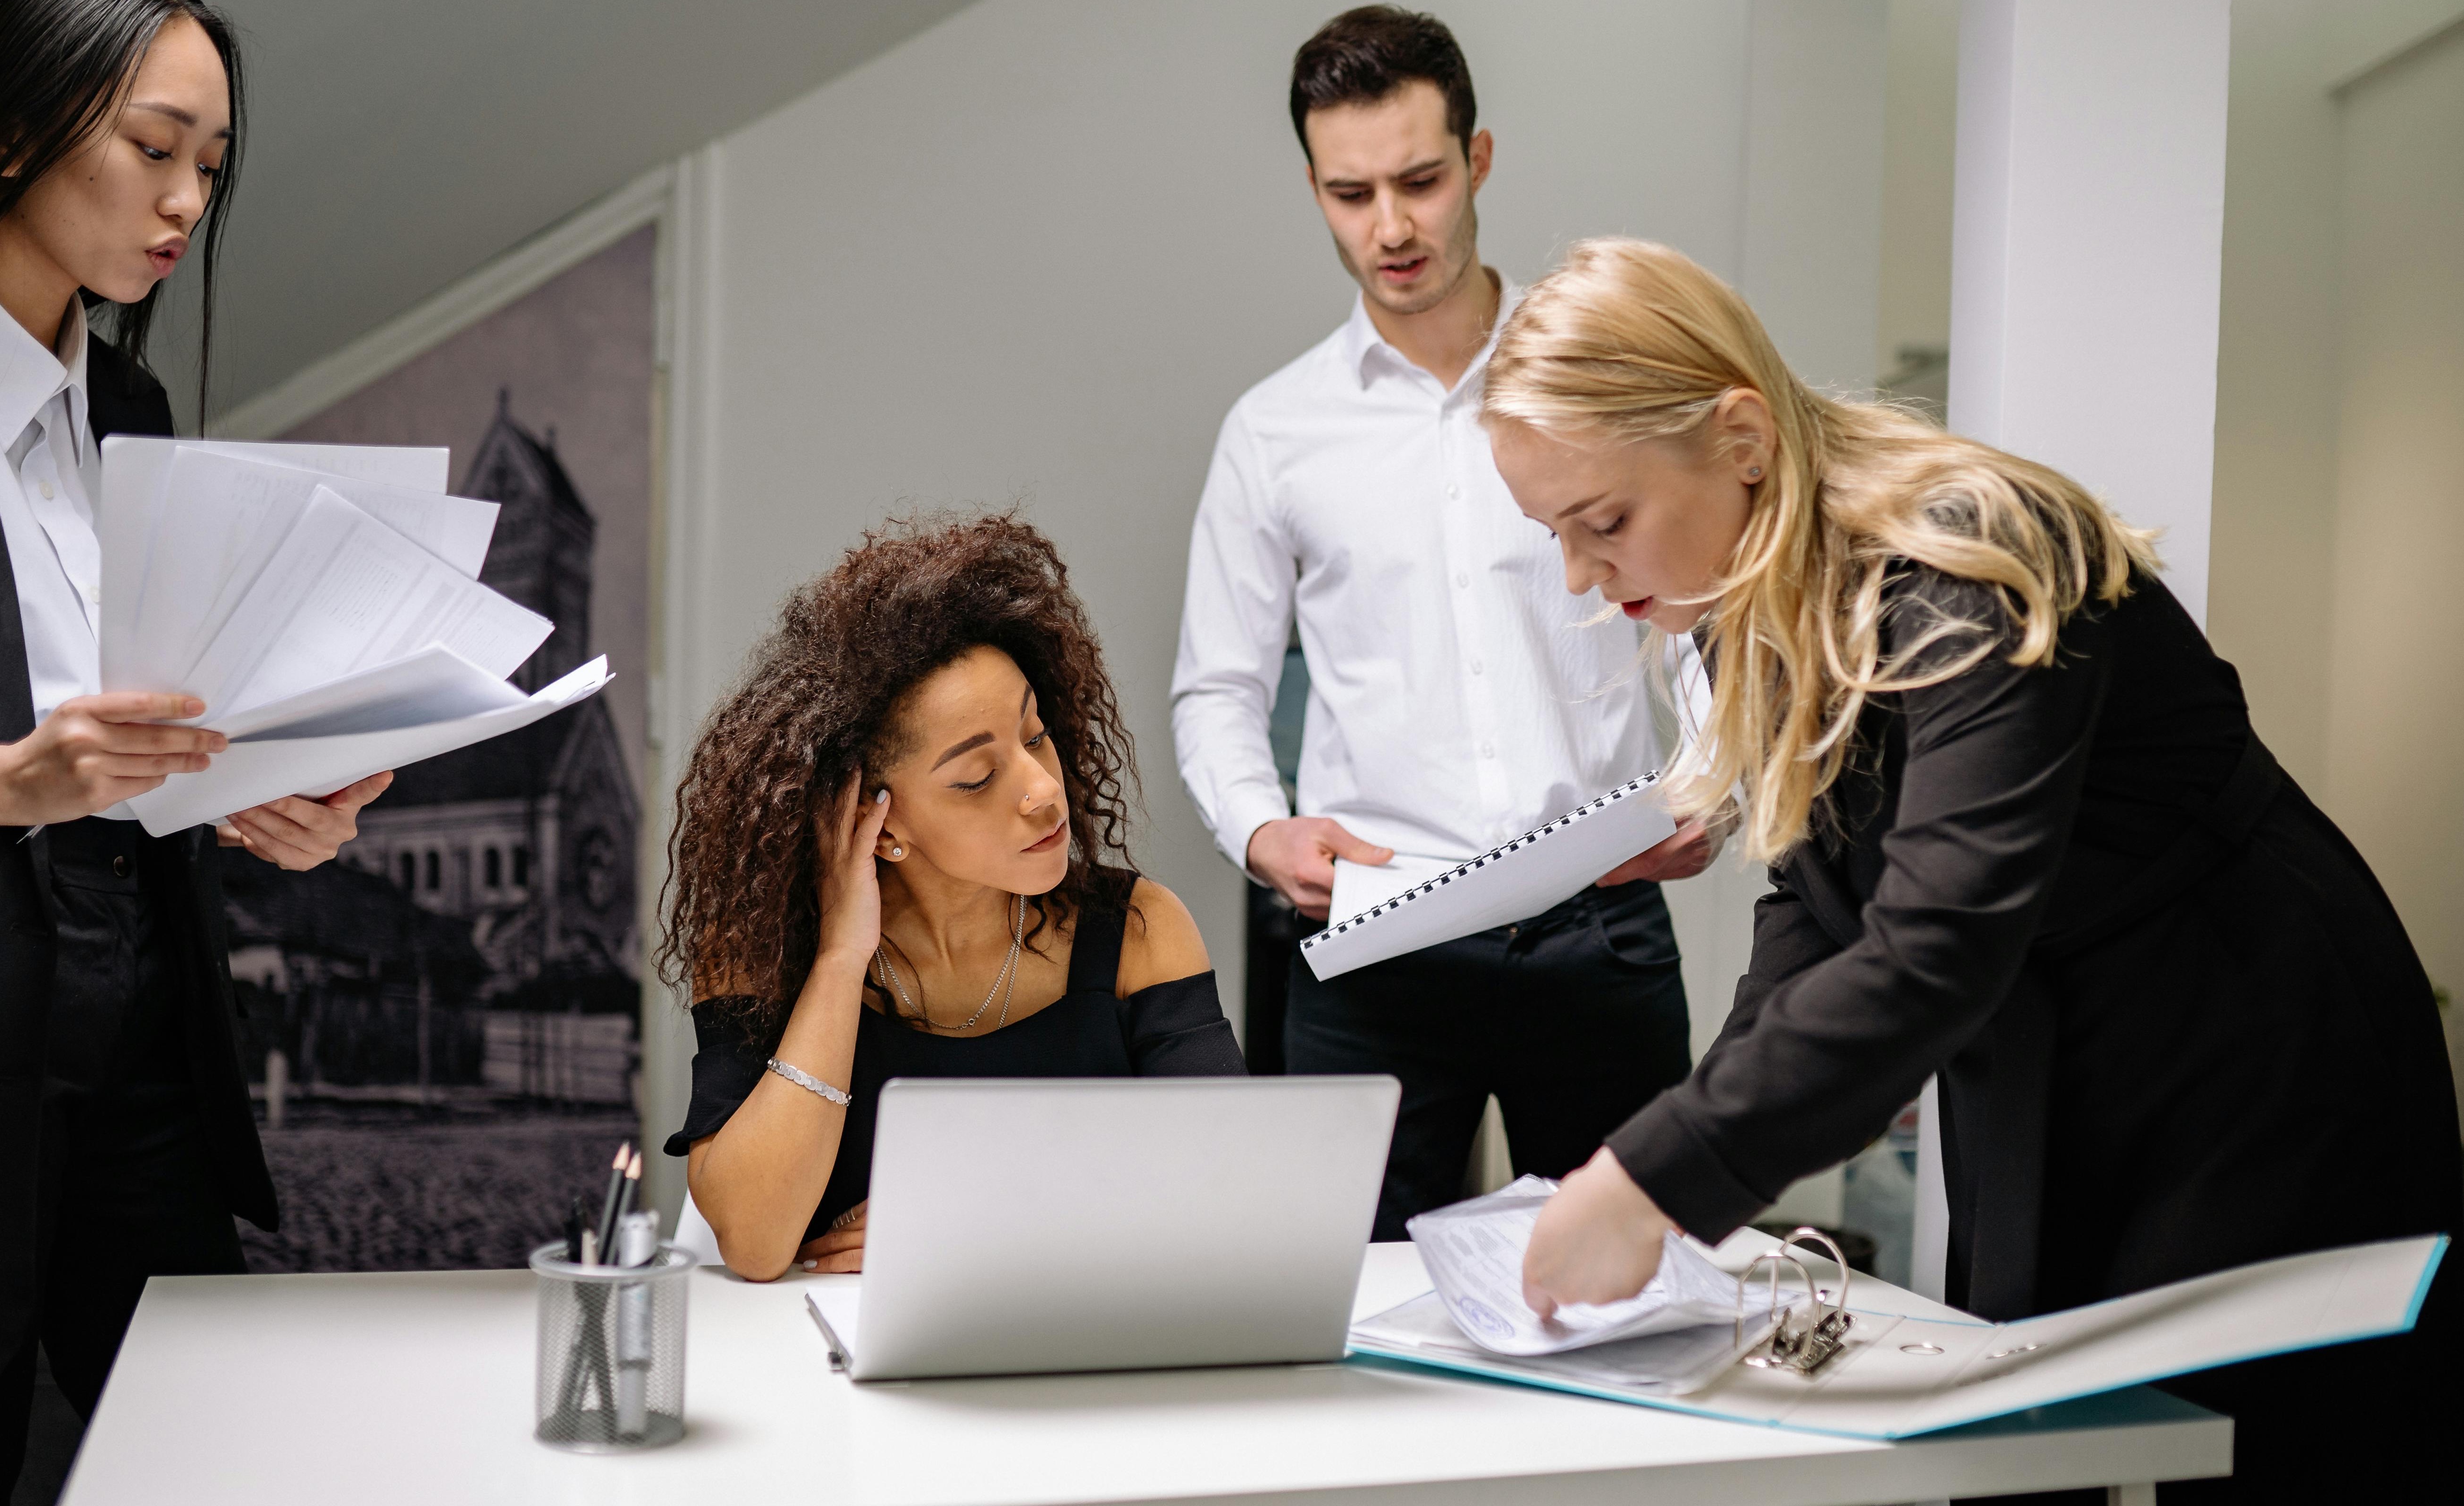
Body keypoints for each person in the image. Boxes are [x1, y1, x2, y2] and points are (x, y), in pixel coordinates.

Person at [1486, 237, 2460, 1500]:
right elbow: (1818, 906)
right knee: (2033, 1429)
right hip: (2060, 1044)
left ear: (1739, 437)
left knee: (2261, 1443)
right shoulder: (1751, 609)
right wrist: (1660, 1165)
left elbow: (1931, 944)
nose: (1578, 571)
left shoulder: (1972, 562)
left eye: (1601, 521)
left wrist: (1653, 1180)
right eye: (1552, 533)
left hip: (2254, 1049)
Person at [0, 4, 392, 1498]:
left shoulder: (126, 408)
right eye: (154, 149)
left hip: (142, 1068)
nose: (190, 201)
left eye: (214, 164)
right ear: (6, 131)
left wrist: (250, 798)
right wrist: (10, 781)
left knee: (219, 1472)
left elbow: (132, 743)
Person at [1171, 6, 1709, 1242]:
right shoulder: (1274, 431)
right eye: (1351, 194)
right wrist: (1261, 833)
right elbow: (1217, 687)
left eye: (1419, 179)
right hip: (1379, 946)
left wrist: (1711, 784)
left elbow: (1692, 609)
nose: (1393, 227)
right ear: (1313, 188)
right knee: (1339, 1305)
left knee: (1647, 1281)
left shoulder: (1595, 384)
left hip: (1603, 924)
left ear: (1477, 159)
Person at [665, 515, 1244, 1281]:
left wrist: (983, 1224)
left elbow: (1234, 1193)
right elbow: (755, 1241)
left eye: (1035, 736)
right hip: (821, 1368)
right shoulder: (757, 947)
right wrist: (841, 959)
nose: (1042, 792)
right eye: (976, 778)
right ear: (881, 821)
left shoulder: (1138, 931)